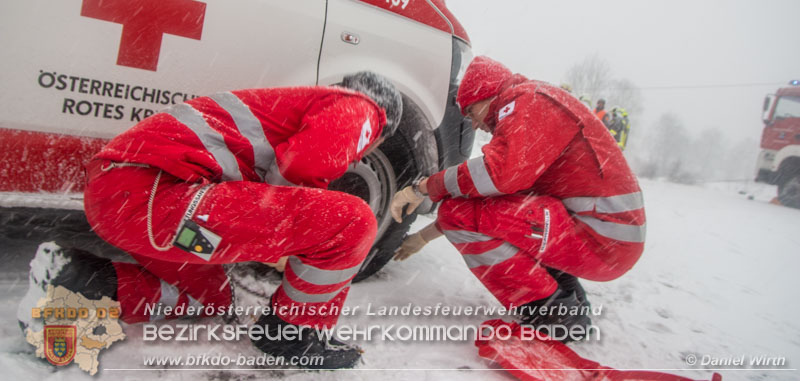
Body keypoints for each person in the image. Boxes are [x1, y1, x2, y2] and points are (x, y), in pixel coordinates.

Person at [19, 72, 403, 369]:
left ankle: (76, 284)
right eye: (373, 144)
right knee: (351, 219)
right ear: (381, 123)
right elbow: (303, 165)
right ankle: (294, 333)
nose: (360, 154)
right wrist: (292, 239)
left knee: (215, 299)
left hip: (131, 208)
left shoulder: (298, 108)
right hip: (153, 196)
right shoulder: (360, 106)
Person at [391, 57, 645, 341]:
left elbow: (494, 176)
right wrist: (424, 237)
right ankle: (565, 298)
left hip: (603, 237)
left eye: (471, 111)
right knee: (473, 212)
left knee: (458, 212)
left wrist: (424, 187)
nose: (474, 124)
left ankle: (551, 312)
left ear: (487, 95)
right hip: (605, 234)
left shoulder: (525, 100)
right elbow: (494, 203)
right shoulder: (534, 103)